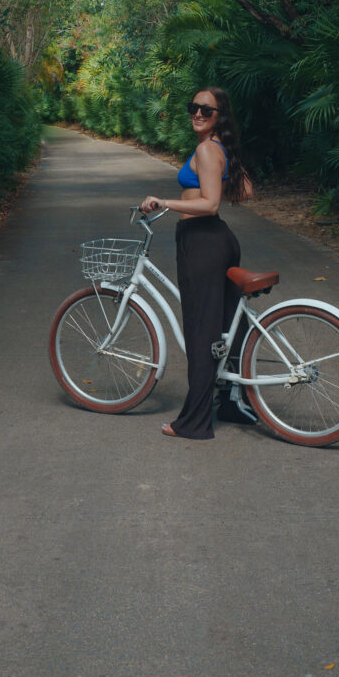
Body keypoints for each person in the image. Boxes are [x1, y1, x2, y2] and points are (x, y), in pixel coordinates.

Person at [140, 87, 256, 439]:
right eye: (194, 107)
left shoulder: (207, 149)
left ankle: (194, 422)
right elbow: (246, 191)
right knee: (225, 325)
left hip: (202, 242)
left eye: (207, 110)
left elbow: (210, 204)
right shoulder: (218, 147)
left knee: (201, 331)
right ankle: (233, 401)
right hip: (218, 241)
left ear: (219, 116)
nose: (198, 114)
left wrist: (165, 203)